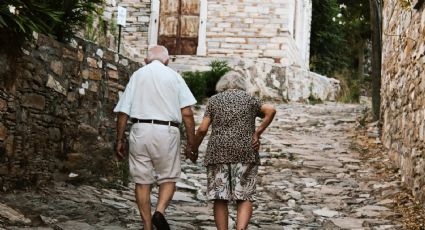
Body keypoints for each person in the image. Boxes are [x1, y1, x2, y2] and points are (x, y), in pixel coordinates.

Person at [113, 45, 197, 230]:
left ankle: (147, 226)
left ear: (146, 60)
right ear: (167, 60)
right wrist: (192, 143)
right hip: (167, 131)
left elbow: (123, 111)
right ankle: (159, 212)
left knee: (142, 181)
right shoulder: (174, 77)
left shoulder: (138, 75)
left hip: (140, 129)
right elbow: (188, 113)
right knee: (168, 178)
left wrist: (119, 139)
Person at [192, 71, 276, 230]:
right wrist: (257, 132)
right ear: (242, 85)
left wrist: (193, 148)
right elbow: (270, 110)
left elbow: (202, 129)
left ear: (222, 85)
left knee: (220, 197)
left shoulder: (214, 101)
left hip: (218, 153)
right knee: (244, 195)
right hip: (245, 151)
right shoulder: (249, 99)